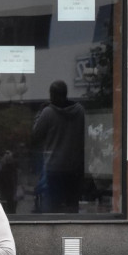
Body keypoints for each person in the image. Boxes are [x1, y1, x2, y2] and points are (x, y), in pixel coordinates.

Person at [32, 80, 86, 212]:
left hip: (54, 167)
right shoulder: (79, 111)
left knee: (54, 207)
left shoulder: (48, 112)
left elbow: (35, 134)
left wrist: (40, 112)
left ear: (53, 95)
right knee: (72, 205)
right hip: (75, 166)